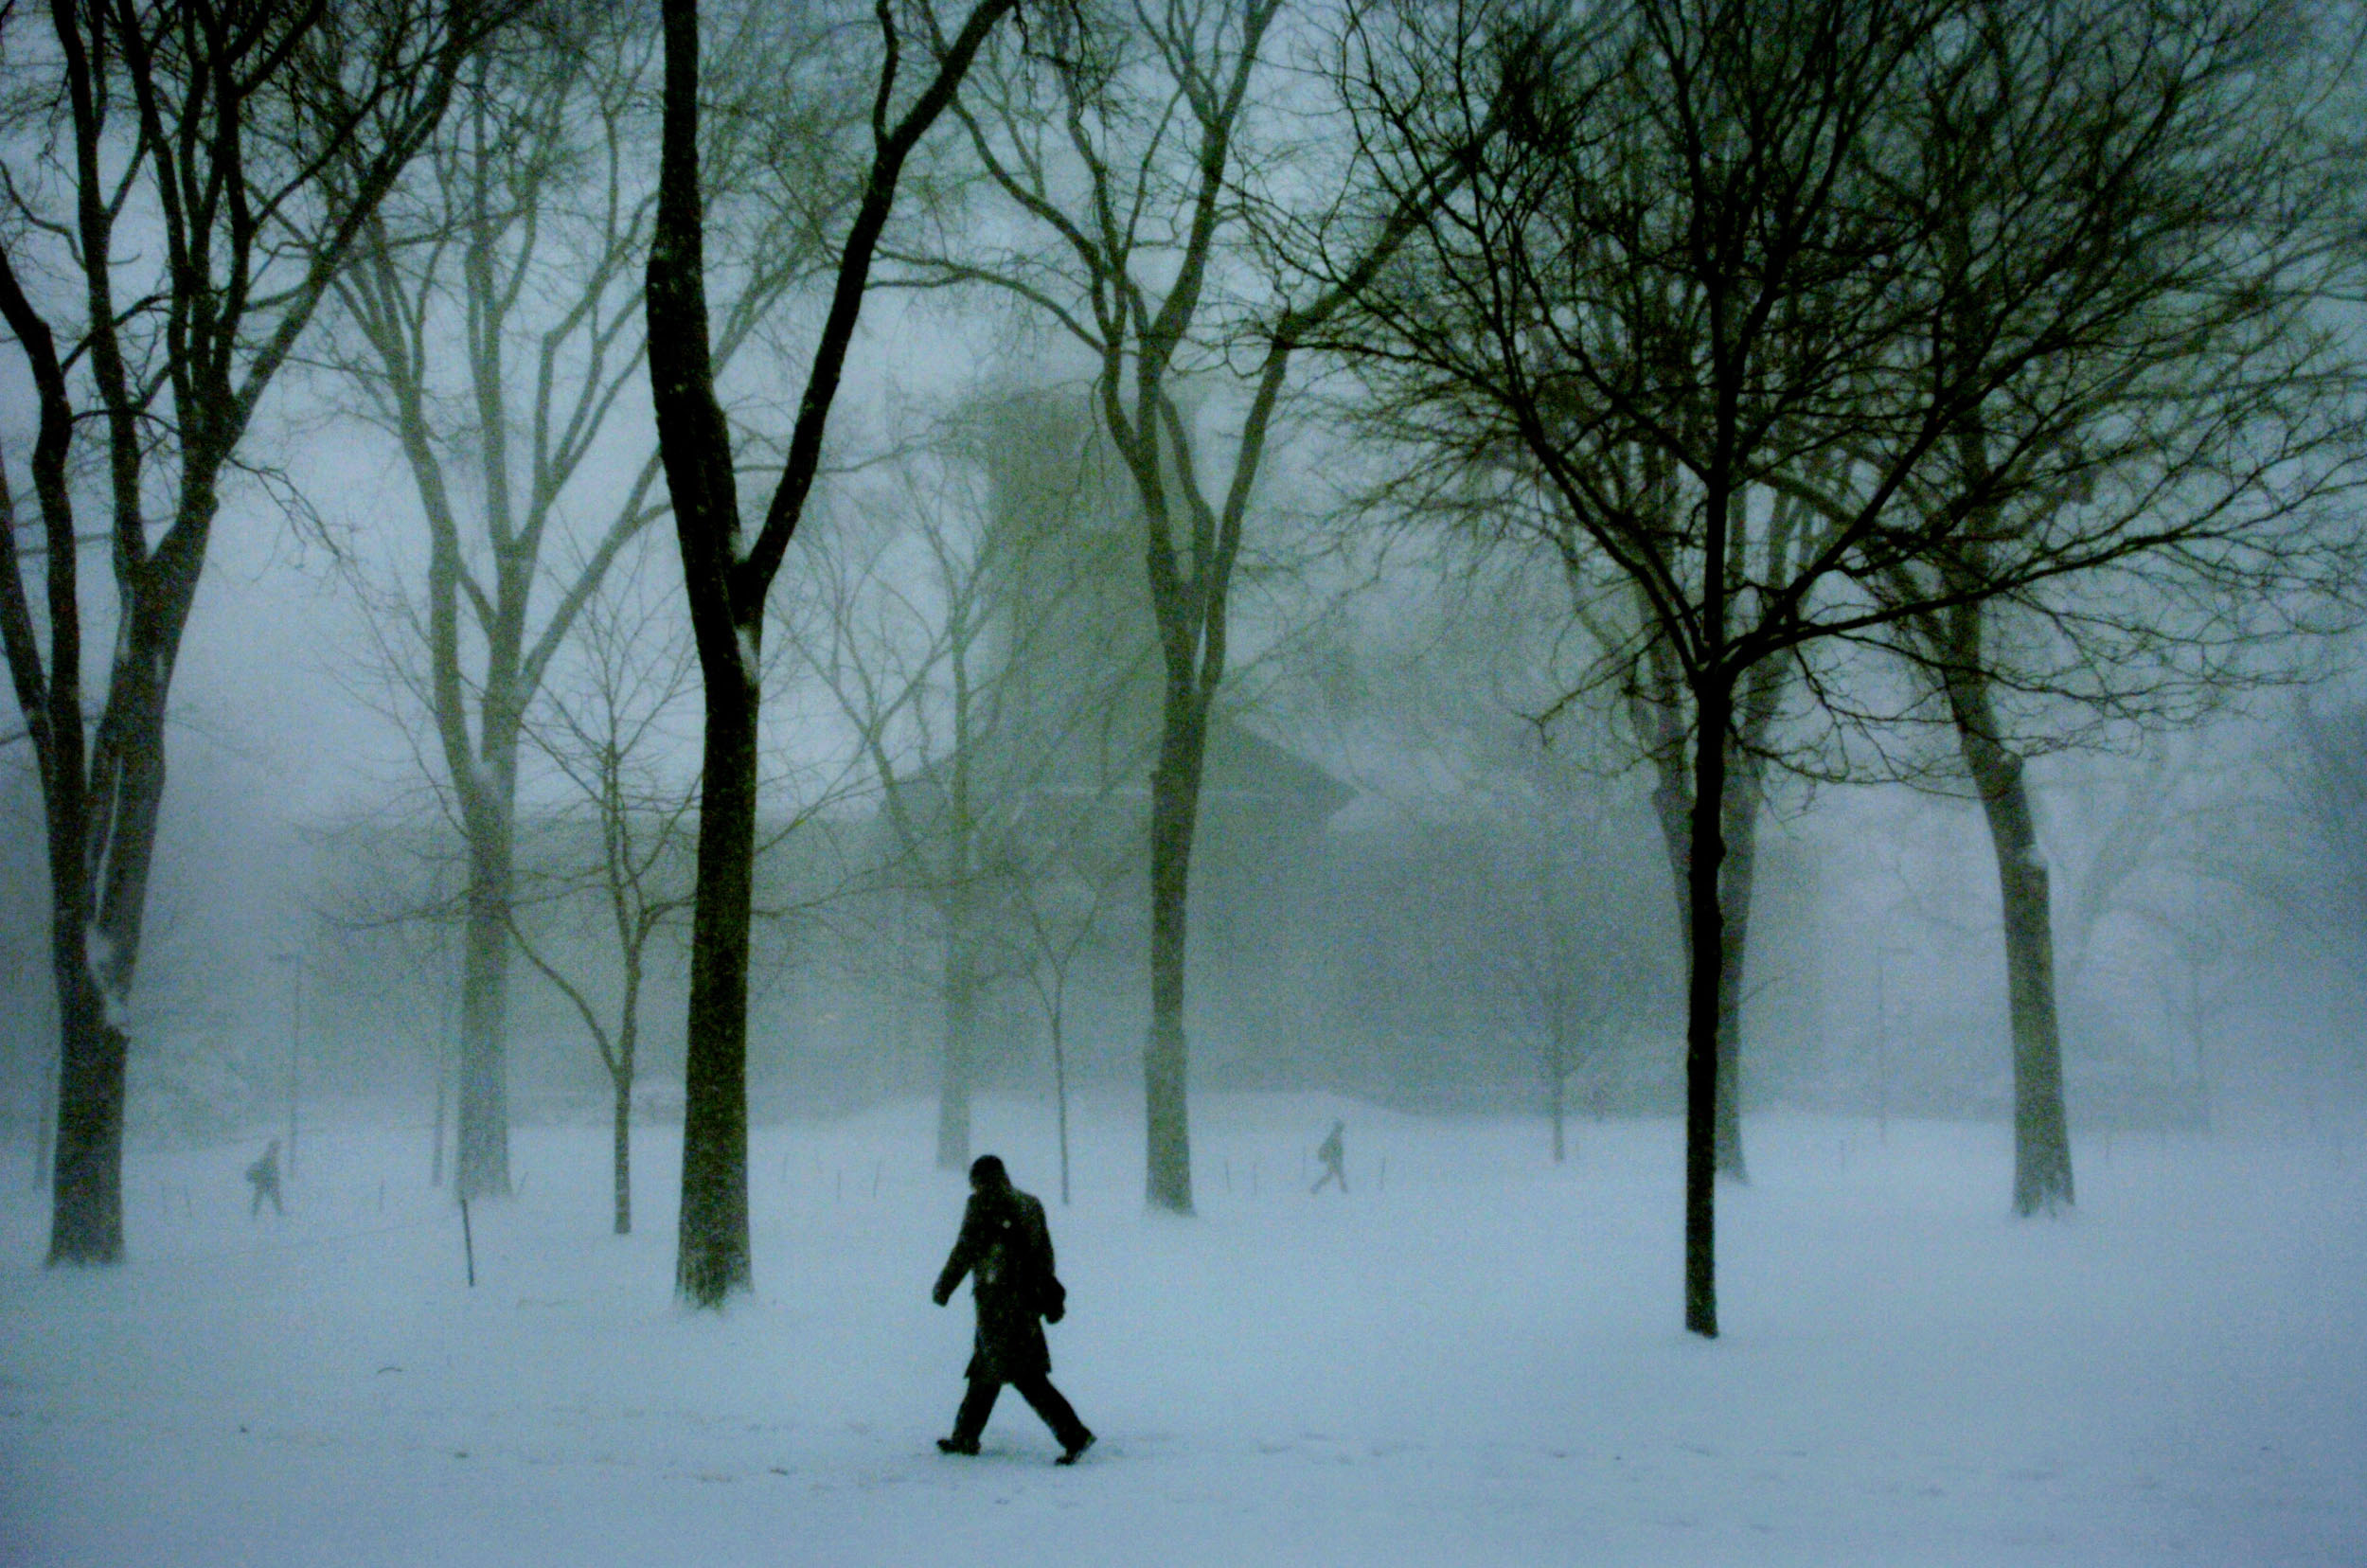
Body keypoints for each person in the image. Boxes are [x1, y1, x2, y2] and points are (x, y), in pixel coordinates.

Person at [931, 1154, 1094, 1465]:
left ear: (979, 1180)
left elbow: (965, 1249)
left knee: (1025, 1376)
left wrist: (944, 1287)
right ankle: (964, 1437)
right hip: (1024, 1303)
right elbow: (1045, 1253)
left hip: (997, 1304)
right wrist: (1043, 1294)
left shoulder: (982, 1203)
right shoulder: (1030, 1204)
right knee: (985, 1371)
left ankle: (1075, 1435)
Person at [245, 1139, 283, 1217]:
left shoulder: (270, 1156)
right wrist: (275, 1178)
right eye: (277, 1147)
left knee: (259, 1199)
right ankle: (254, 1215)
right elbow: (271, 1169)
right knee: (273, 1198)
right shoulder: (270, 1156)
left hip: (265, 1181)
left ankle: (254, 1215)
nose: (278, 1149)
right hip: (266, 1181)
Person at [1310, 1118, 1346, 1194]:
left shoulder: (1335, 1135)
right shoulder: (1335, 1136)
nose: (1342, 1129)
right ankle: (1316, 1187)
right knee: (1334, 1175)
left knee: (1335, 1175)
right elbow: (1334, 1148)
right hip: (1334, 1159)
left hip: (1334, 1159)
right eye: (1341, 1127)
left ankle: (1344, 1189)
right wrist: (1336, 1156)